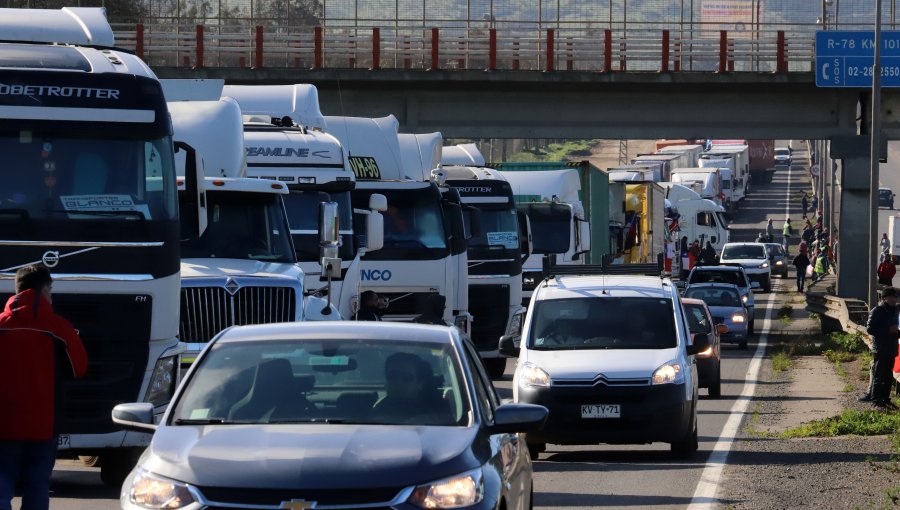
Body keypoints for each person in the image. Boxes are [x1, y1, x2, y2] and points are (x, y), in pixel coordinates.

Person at [0, 264, 88, 510]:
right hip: (45, 424)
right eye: (50, 289)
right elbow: (79, 368)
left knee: (2, 479)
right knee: (37, 484)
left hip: (4, 423)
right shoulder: (59, 328)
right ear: (44, 291)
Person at [371, 352, 451, 423]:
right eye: (392, 376)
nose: (398, 382)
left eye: (406, 378)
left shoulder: (437, 415)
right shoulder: (376, 411)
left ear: (420, 384)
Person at [861, 287, 900, 408]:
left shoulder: (894, 310)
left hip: (891, 347)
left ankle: (885, 398)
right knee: (879, 375)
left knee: (888, 376)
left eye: (896, 297)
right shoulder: (877, 310)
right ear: (884, 298)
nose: (895, 299)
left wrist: (897, 332)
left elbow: (894, 330)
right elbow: (870, 329)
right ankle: (876, 400)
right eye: (892, 297)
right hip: (881, 348)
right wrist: (888, 330)